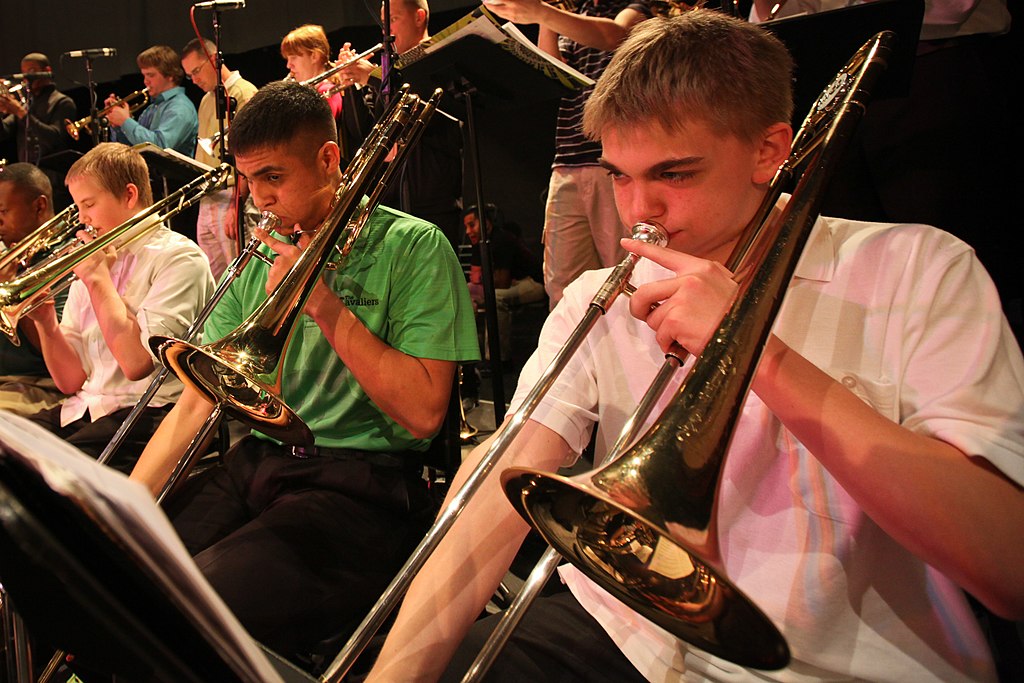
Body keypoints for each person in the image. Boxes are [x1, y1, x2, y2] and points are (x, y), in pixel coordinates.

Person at [364, 11, 1024, 682]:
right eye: (620, 176)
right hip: (630, 631)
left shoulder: (918, 268)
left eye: (674, 174)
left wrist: (754, 348)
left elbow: (1009, 568)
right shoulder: (601, 293)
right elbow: (496, 494)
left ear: (769, 151)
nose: (637, 212)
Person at [128, 80, 480, 659]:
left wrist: (322, 303)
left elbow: (422, 414)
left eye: (273, 177)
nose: (259, 199)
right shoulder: (265, 253)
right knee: (119, 574)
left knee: (193, 617)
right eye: (249, 181)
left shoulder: (414, 245)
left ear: (328, 158)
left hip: (361, 485)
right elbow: (200, 398)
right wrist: (127, 506)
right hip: (261, 462)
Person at [751, 0, 1020, 338]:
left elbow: (954, 7)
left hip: (931, 72)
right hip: (824, 86)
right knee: (853, 259)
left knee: (960, 245)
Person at [23, 143, 214, 474]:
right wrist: (45, 323)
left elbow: (136, 364)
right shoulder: (95, 259)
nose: (82, 219)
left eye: (89, 204)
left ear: (129, 195)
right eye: (78, 207)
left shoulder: (179, 258)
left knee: (44, 477)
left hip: (151, 412)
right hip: (87, 408)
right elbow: (70, 381)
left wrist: (98, 282)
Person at [481, 0, 651, 308]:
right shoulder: (573, 13)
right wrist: (544, 14)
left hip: (614, 161)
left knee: (626, 275)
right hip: (567, 162)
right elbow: (549, 72)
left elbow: (614, 35)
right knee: (562, 285)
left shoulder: (633, 6)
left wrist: (541, 11)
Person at [335, 0, 464, 249]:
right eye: (383, 23)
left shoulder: (439, 59)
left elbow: (425, 113)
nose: (387, 31)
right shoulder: (391, 73)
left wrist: (372, 76)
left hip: (433, 205)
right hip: (392, 203)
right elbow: (364, 132)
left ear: (419, 17)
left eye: (393, 20)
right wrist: (352, 84)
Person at [180, 37, 258, 281]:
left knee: (241, 274)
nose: (194, 80)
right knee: (216, 278)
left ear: (214, 60)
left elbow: (249, 156)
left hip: (233, 195)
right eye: (189, 76)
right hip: (209, 197)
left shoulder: (244, 92)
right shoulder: (206, 100)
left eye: (196, 71)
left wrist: (237, 203)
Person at [0, 162, 67, 415]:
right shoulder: (7, 253)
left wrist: (10, 290)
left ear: (39, 206)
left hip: (40, 385)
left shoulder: (67, 259)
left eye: (3, 211)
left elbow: (62, 353)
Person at [463, 203, 545, 362]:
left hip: (531, 282)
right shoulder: (478, 243)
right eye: (466, 226)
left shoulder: (502, 240)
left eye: (472, 225)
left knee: (496, 298)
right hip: (507, 284)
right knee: (462, 294)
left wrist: (481, 281)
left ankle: (497, 360)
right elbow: (475, 277)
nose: (468, 231)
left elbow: (502, 282)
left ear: (485, 223)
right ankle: (468, 356)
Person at [0, 53, 77, 210]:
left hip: (54, 181)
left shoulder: (63, 102)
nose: (26, 77)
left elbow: (54, 138)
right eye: (24, 72)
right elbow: (3, 133)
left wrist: (20, 112)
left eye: (32, 71)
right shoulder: (27, 105)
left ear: (47, 70)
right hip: (28, 181)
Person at [107, 45, 199, 158]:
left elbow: (160, 147)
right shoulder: (153, 107)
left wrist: (125, 121)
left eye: (150, 75)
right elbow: (132, 149)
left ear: (170, 75)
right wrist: (118, 125)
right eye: (144, 75)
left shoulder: (180, 107)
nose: (145, 81)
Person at [281, 25, 345, 123]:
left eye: (293, 57)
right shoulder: (312, 91)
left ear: (314, 56)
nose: (288, 65)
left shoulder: (326, 91)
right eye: (288, 59)